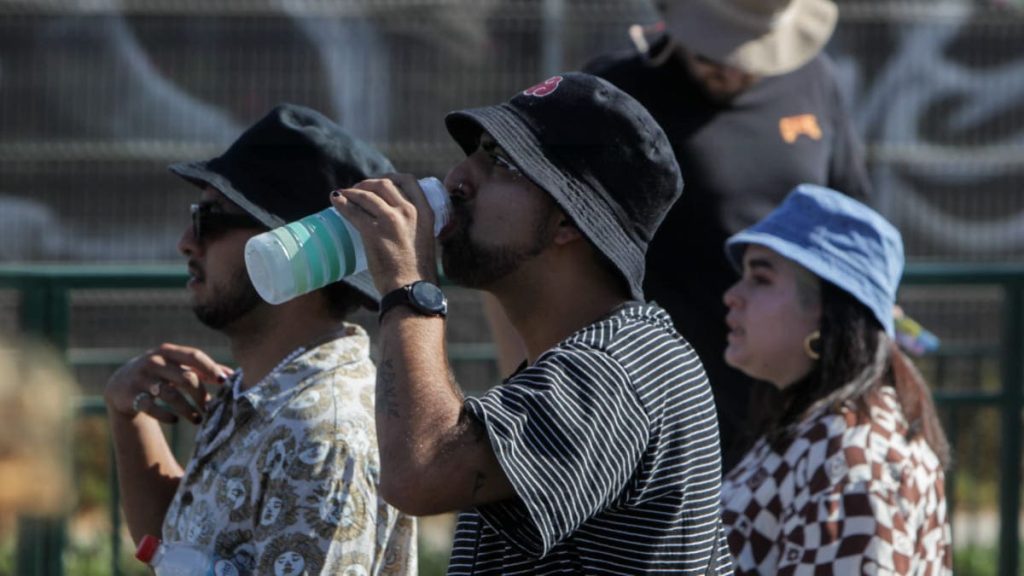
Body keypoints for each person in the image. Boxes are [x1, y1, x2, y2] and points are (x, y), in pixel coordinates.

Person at [332, 72, 732, 574]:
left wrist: (409, 287)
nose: (457, 177)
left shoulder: (615, 367)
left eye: (501, 162)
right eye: (476, 150)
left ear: (569, 219)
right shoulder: (589, 358)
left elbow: (422, 472)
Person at [104, 104, 416, 575]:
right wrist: (127, 415)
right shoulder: (265, 389)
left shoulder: (321, 434)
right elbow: (181, 547)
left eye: (211, 218)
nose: (187, 241)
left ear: (293, 252)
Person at [578, 0, 873, 468]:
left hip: (791, 391)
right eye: (714, 53)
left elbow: (850, 214)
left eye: (753, 54)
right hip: (658, 389)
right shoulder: (617, 90)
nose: (732, 69)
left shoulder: (816, 79)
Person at [719, 184, 952, 574]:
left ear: (828, 311)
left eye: (760, 279)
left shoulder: (853, 457)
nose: (731, 295)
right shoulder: (825, 431)